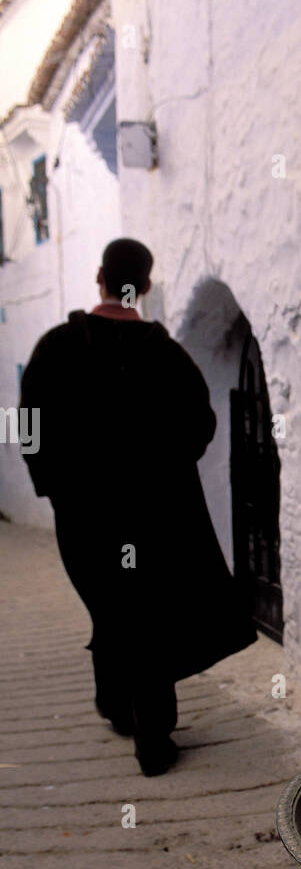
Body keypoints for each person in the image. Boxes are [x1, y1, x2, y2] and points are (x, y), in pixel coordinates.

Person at [19, 238, 257, 775]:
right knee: (144, 608)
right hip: (155, 514)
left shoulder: (55, 347)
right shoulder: (163, 353)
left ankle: (128, 715)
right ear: (145, 286)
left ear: (99, 274)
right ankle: (145, 726)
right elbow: (202, 423)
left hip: (81, 513)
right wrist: (165, 470)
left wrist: (51, 483)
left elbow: (27, 424)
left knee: (110, 602)